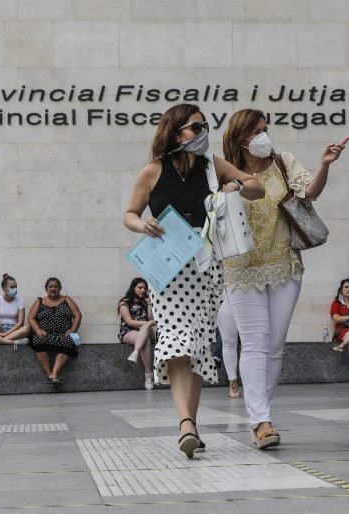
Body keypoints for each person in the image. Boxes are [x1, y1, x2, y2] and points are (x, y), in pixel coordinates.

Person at [123, 103, 264, 458]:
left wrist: (236, 188)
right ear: (175, 133)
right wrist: (143, 225)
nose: (202, 133)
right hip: (167, 271)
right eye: (194, 127)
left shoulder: (212, 166)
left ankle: (192, 426)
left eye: (205, 127)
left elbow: (256, 186)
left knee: (199, 344)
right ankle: (185, 423)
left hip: (206, 268)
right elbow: (129, 214)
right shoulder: (153, 171)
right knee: (175, 340)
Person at [221, 108, 348, 449]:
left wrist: (324, 164)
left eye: (266, 128)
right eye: (258, 130)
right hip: (241, 270)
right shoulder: (224, 171)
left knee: (275, 347)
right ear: (242, 136)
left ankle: (262, 413)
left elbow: (311, 192)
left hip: (285, 266)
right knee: (255, 343)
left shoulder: (282, 161)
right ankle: (261, 421)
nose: (265, 135)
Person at [27, 277, 82, 386]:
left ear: (60, 288)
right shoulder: (40, 301)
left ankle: (55, 374)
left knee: (69, 340)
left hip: (63, 335)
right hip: (45, 335)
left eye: (55, 286)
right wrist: (37, 329)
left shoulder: (67, 299)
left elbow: (77, 315)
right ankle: (49, 375)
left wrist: (72, 330)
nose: (53, 289)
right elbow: (30, 318)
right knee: (38, 339)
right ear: (46, 288)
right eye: (50, 286)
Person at [118, 277, 155, 390]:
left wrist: (149, 303)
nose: (143, 290)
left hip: (148, 330)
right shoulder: (124, 302)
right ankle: (148, 375)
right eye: (140, 287)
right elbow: (129, 321)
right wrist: (146, 323)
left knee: (147, 327)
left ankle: (136, 351)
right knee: (146, 341)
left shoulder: (147, 301)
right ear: (133, 288)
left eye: (145, 288)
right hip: (128, 331)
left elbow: (152, 319)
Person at [217, 300, 242, 398]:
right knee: (228, 343)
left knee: (250, 345)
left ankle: (252, 385)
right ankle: (233, 384)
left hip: (252, 299)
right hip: (226, 297)